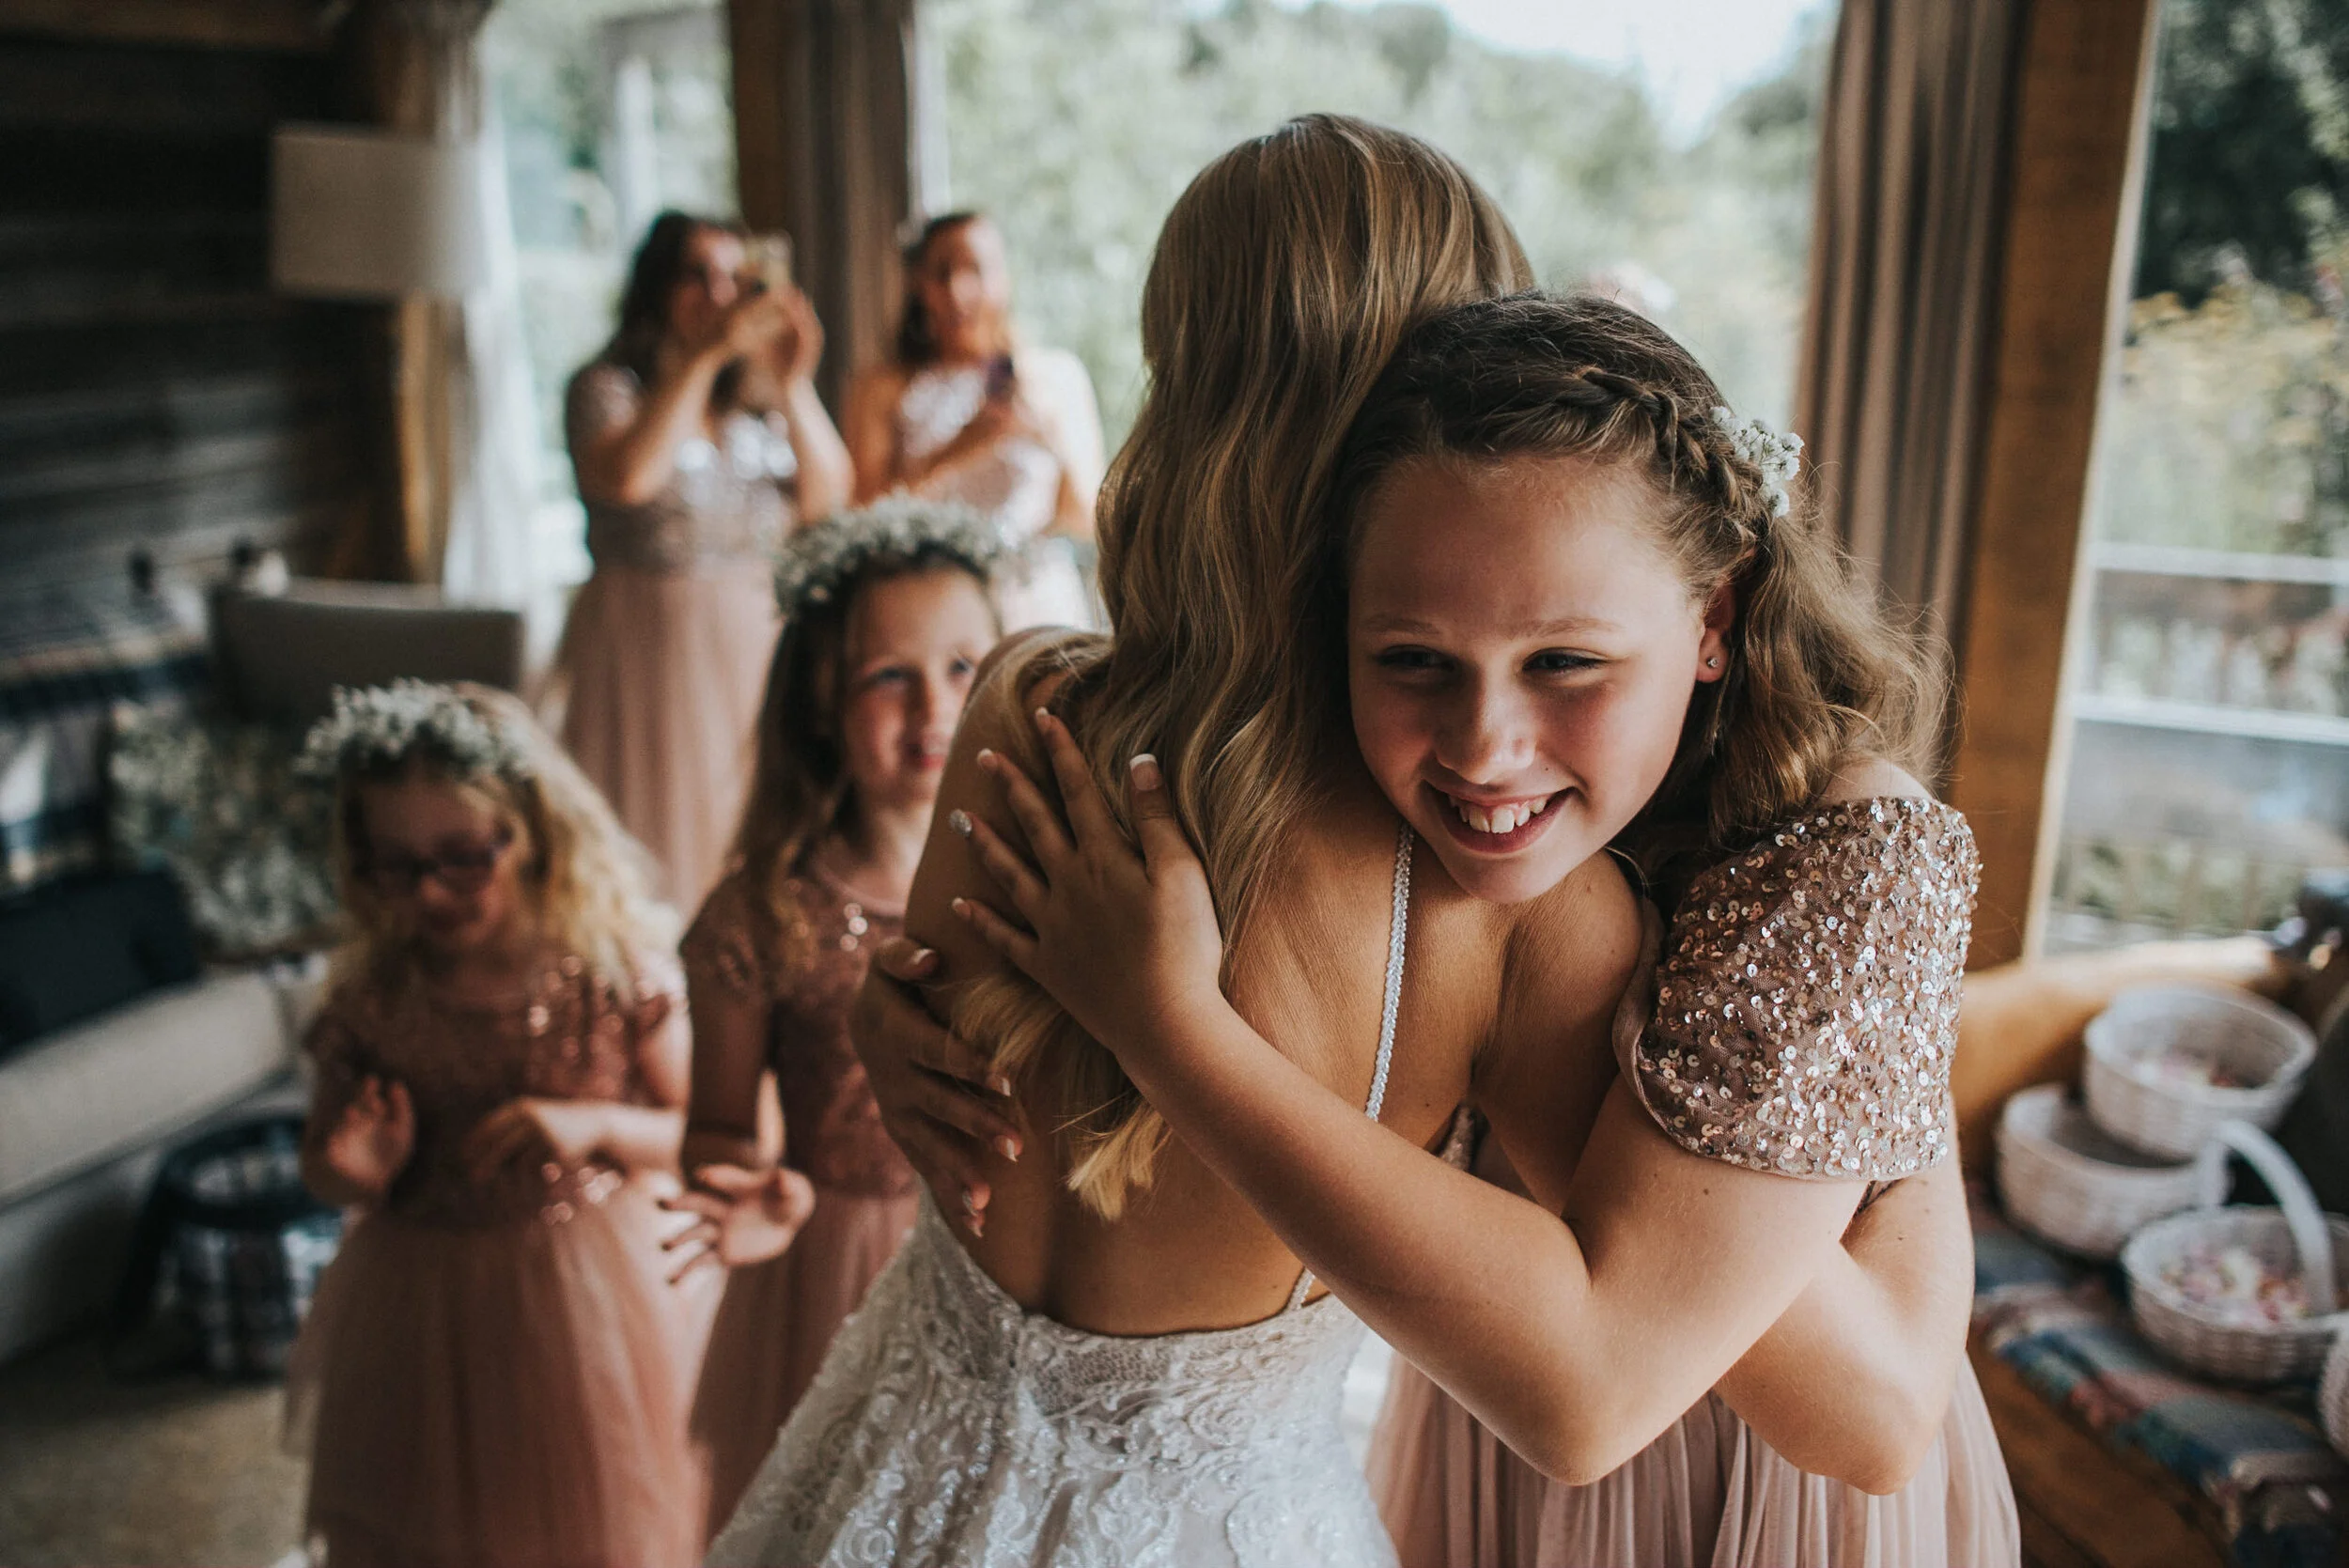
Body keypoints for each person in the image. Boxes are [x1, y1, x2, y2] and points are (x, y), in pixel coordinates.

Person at [707, 117, 1984, 1568]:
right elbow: (1763, 1387)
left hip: (892, 1466)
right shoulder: (1503, 902)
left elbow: (953, 1114)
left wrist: (1872, 983)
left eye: (1565, 662)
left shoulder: (1028, 699)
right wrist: (1891, 1025)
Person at [285, 681, 705, 1568]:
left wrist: (593, 1125)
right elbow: (324, 1163)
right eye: (393, 866)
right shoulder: (370, 1000)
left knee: (591, 1506)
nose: (431, 889)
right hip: (418, 1299)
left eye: (463, 855)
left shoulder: (609, 970)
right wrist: (353, 1170)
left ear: (534, 831)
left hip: (591, 1290)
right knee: (432, 1521)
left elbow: (701, 1128)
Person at [660, 501, 1009, 1540]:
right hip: (827, 1275)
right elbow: (713, 1132)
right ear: (818, 702)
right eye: (885, 675)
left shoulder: (1040, 883)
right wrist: (745, 1188)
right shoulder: (757, 916)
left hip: (1004, 1260)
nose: (935, 706)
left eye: (963, 665)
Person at [552, 211, 854, 908]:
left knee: (755, 816)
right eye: (700, 275)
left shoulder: (748, 404)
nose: (721, 295)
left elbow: (829, 498)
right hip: (651, 653)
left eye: (735, 278)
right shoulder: (605, 389)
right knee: (662, 825)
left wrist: (794, 382)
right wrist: (702, 357)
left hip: (756, 648)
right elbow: (629, 478)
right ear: (657, 287)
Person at [842, 211, 1105, 630]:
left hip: (1038, 601)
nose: (957, 291)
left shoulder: (1055, 376)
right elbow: (865, 517)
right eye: (941, 273)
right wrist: (961, 447)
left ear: (1005, 276)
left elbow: (1086, 521)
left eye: (975, 270)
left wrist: (1045, 436)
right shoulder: (883, 387)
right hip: (936, 606)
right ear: (918, 285)